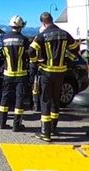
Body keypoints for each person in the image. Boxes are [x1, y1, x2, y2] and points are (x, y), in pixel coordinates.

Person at [28, 12, 80, 142]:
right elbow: (75, 48)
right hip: (60, 73)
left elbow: (30, 51)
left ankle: (45, 133)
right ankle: (53, 128)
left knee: (45, 100)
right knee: (56, 100)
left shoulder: (42, 35)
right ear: (51, 20)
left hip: (46, 72)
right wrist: (68, 60)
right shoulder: (64, 34)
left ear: (43, 23)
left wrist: (36, 61)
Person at [0, 15, 31, 131]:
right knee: (19, 100)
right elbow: (28, 56)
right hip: (21, 75)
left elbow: (2, 56)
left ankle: (2, 123)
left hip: (7, 73)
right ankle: (16, 125)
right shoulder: (24, 40)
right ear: (21, 26)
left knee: (4, 98)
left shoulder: (4, 38)